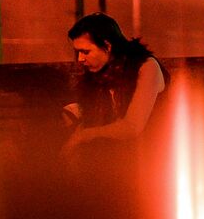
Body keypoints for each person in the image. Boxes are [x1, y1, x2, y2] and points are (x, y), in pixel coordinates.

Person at [62, 12, 165, 158]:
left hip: (154, 155)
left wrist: (85, 135)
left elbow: (132, 127)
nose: (80, 59)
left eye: (85, 51)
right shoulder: (100, 72)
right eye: (78, 52)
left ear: (107, 46)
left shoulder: (147, 67)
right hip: (117, 157)